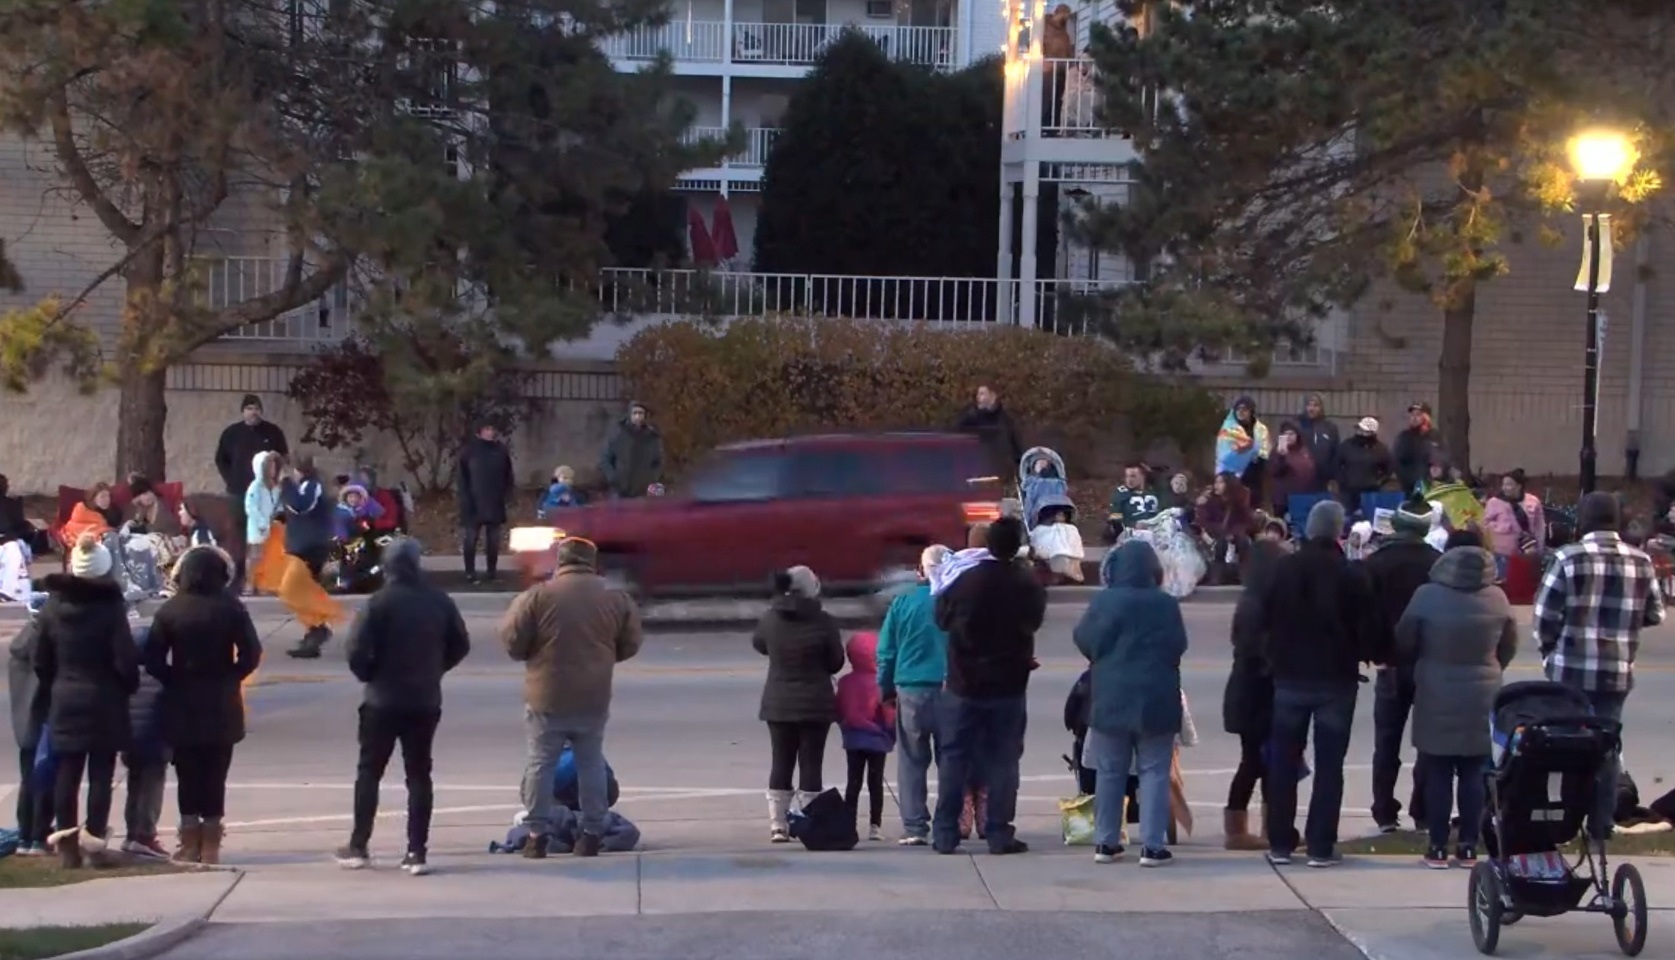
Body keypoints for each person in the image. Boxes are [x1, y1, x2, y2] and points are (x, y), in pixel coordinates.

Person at [1534, 491, 1665, 843]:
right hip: (1616, 669)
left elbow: (1545, 616)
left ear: (1583, 520)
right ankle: (1601, 823)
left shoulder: (1567, 558)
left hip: (1569, 669)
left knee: (1567, 745)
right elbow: (1656, 612)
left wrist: (1550, 649)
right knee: (1607, 747)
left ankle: (1567, 818)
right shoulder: (1641, 561)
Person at [501, 537, 642, 858]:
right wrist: (604, 658)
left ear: (561, 562)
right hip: (593, 694)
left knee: (541, 762)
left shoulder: (538, 596)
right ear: (592, 562)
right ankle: (592, 833)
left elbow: (512, 640)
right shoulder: (615, 598)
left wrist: (533, 654)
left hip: (546, 694)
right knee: (590, 761)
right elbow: (631, 642)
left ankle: (536, 834)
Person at [336, 538, 470, 875]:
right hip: (424, 699)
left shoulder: (378, 603)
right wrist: (436, 668)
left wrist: (369, 674)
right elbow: (460, 644)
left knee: (369, 771)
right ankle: (416, 851)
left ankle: (359, 845)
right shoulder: (439, 601)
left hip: (381, 698)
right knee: (419, 774)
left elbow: (356, 649)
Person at [1253, 499, 1374, 867]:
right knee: (1329, 766)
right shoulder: (1351, 574)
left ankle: (1280, 841)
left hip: (1289, 676)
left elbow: (1264, 617)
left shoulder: (1284, 569)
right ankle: (1321, 844)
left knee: (1283, 763)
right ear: (1338, 530)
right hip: (1336, 679)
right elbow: (1368, 626)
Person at [1395, 539, 1517, 867]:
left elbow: (1405, 640)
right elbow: (1508, 645)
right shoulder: (1497, 599)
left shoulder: (1426, 596)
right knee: (1475, 770)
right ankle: (1467, 845)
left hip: (1436, 686)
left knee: (1437, 768)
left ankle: (1436, 845)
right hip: (1483, 691)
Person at [930, 517, 1047, 855]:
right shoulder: (1026, 584)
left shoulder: (965, 581)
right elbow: (1033, 622)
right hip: (1008, 683)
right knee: (1004, 760)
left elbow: (942, 618)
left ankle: (946, 832)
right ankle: (998, 831)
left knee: (953, 757)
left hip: (963, 684)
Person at [143, 546, 262, 865]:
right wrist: (233, 676)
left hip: (182, 697)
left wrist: (172, 677)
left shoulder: (170, 611)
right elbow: (251, 652)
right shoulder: (231, 608)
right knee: (216, 773)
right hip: (222, 698)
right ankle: (212, 842)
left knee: (187, 773)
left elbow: (152, 658)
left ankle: (189, 838)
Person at [1073, 540, 1188, 867]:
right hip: (1157, 696)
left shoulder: (1105, 602)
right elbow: (1178, 644)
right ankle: (1153, 846)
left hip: (1111, 695)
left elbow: (1084, 638)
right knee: (1154, 770)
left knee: (1110, 771)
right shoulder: (1166, 604)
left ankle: (1106, 842)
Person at [35, 537, 140, 868]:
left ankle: (66, 846)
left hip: (65, 695)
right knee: (100, 773)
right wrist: (128, 685)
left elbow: (41, 659)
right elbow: (124, 658)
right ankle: (94, 843)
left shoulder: (53, 608)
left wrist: (56, 683)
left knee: (67, 770)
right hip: (105, 697)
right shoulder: (110, 609)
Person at [1361, 501, 1443, 834]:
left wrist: (1372, 651)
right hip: (1427, 660)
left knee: (1387, 741)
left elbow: (1364, 613)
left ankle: (1384, 812)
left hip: (1389, 661)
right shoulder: (1436, 565)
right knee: (1426, 740)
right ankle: (1421, 809)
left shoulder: (1376, 563)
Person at [753, 565, 844, 843]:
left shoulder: (770, 618)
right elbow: (836, 662)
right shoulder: (824, 621)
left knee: (781, 760)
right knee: (810, 763)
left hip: (778, 701)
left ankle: (778, 824)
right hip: (815, 702)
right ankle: (808, 822)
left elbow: (759, 644)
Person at [876, 544, 951, 846]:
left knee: (911, 760)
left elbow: (886, 652)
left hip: (910, 688)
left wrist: (885, 689)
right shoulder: (954, 602)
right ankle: (949, 822)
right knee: (951, 760)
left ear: (920, 570)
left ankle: (915, 825)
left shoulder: (902, 602)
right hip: (949, 689)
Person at [1221, 523, 1290, 851]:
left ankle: (1262, 825)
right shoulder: (1263, 605)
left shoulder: (1250, 600)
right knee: (1259, 762)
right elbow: (1259, 650)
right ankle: (1243, 829)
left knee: (1260, 761)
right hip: (1258, 693)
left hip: (1247, 692)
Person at [213, 395, 290, 592]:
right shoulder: (231, 433)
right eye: (248, 408)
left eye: (256, 408)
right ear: (242, 411)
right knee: (239, 538)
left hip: (267, 495)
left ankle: (265, 580)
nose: (252, 412)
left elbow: (283, 458)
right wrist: (231, 480)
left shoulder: (272, 432)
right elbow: (221, 459)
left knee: (267, 539)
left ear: (261, 411)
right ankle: (238, 581)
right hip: (238, 493)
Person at [279, 455, 344, 659]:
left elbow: (300, 506)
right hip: (302, 546)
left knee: (292, 589)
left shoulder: (311, 486)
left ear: (299, 471)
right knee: (302, 591)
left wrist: (285, 483)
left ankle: (319, 628)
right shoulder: (302, 487)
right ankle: (313, 633)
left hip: (311, 548)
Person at [836, 631, 894, 842]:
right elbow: (888, 712)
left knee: (854, 782)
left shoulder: (845, 682)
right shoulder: (880, 683)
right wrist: (891, 733)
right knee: (875, 782)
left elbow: (839, 709)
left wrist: (845, 725)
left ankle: (849, 823)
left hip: (853, 738)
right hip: (877, 739)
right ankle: (875, 825)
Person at [121, 626, 169, 860]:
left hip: (130, 738)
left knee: (134, 785)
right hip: (155, 739)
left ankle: (132, 832)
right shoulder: (162, 676)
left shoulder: (123, 676)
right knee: (151, 788)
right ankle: (145, 834)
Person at [7, 607, 50, 856]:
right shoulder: (39, 652)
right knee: (44, 779)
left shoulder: (17, 656)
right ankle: (38, 836)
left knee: (28, 780)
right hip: (41, 722)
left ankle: (25, 835)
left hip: (23, 728)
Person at [457, 421, 514, 583]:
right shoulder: (470, 451)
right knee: (471, 538)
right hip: (473, 502)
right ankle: (470, 572)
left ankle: (491, 571)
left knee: (493, 540)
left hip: (495, 500)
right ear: (479, 432)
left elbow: (508, 475)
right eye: (487, 429)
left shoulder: (501, 451)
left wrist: (507, 494)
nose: (490, 432)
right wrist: (465, 498)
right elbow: (462, 478)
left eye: (492, 428)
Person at [1483, 468, 1546, 580]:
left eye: (1509, 484)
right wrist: (1502, 528)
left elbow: (1539, 525)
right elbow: (1486, 524)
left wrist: (1539, 547)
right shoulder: (1494, 502)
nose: (1505, 488)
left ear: (1519, 486)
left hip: (1528, 551)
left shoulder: (1533, 501)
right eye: (1503, 484)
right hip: (1502, 552)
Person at [955, 385, 1025, 482]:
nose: (978, 397)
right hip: (977, 468)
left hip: (1001, 468)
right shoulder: (970, 416)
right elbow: (958, 433)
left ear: (992, 396)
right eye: (978, 394)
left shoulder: (1005, 418)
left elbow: (1014, 443)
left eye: (982, 393)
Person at [599, 402, 665, 501]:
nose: (638, 416)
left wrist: (652, 479)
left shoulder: (651, 437)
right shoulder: (618, 434)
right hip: (619, 491)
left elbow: (658, 461)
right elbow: (605, 459)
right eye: (635, 413)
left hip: (642, 492)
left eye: (640, 413)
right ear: (629, 415)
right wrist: (613, 477)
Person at [1196, 472, 1253, 584]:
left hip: (1234, 533)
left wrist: (1233, 532)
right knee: (1221, 544)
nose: (1216, 485)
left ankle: (1246, 576)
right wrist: (1222, 531)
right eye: (1215, 482)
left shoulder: (1238, 501)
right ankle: (1216, 577)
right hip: (1213, 534)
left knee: (1243, 541)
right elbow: (1204, 522)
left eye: (1220, 482)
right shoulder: (1209, 500)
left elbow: (1246, 521)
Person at [244, 452, 286, 596]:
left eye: (275, 467)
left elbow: (277, 504)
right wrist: (262, 522)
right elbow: (251, 506)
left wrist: (279, 516)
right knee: (255, 556)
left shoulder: (275, 487)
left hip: (271, 526)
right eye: (270, 467)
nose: (273, 470)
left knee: (269, 557)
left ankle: (265, 584)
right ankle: (249, 584)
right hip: (257, 527)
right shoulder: (255, 486)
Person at [1214, 395, 1270, 505]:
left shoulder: (1261, 429)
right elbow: (1223, 452)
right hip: (1231, 478)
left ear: (1251, 411)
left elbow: (1265, 451)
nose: (1241, 412)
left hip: (1254, 476)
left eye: (1244, 409)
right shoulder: (1228, 429)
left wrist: (1254, 454)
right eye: (1238, 409)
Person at [1334, 418, 1393, 512]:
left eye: (1364, 431)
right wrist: (1342, 481)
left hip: (1370, 492)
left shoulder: (1381, 449)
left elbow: (1389, 469)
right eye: (1359, 429)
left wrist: (1379, 482)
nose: (1360, 432)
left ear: (1372, 433)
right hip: (1348, 492)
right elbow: (1336, 464)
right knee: (1348, 519)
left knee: (1370, 517)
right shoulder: (1347, 445)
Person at [1105, 463, 1170, 543]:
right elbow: (1115, 519)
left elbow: (1166, 509)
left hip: (1157, 530)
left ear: (1142, 476)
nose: (1129, 480)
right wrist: (1133, 525)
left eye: (1133, 476)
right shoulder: (1121, 493)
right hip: (1133, 533)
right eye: (1127, 476)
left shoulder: (1155, 490)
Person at [1392, 401, 1442, 496]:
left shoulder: (1435, 437)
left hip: (1431, 488)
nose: (1414, 418)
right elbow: (1396, 461)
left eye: (1418, 414)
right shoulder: (1404, 437)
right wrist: (1407, 480)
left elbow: (1443, 457)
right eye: (1412, 415)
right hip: (1409, 489)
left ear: (1427, 417)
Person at [1268, 422, 1318, 515]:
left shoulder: (1304, 450)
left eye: (1291, 434)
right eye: (1286, 434)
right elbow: (1275, 470)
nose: (1289, 436)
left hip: (1301, 497)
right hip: (1282, 499)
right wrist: (1281, 456)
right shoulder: (1277, 451)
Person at [1296, 394, 1340, 490]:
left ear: (1321, 408)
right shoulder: (1296, 426)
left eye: (1316, 405)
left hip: (1323, 480)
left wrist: (1333, 476)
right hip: (1299, 478)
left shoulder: (1330, 428)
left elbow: (1335, 453)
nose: (1312, 409)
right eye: (1309, 405)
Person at [0, 474, 50, 555]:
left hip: (9, 535)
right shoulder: (10, 504)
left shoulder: (10, 503)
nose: (8, 486)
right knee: (36, 531)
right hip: (9, 536)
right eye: (6, 484)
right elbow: (14, 525)